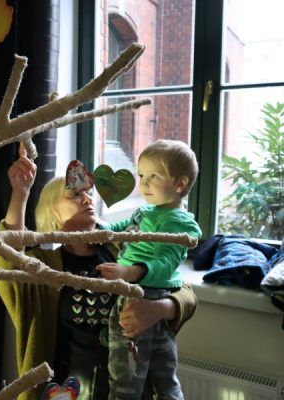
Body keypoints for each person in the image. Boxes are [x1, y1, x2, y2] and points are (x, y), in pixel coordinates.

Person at [0, 144, 197, 400]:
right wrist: (20, 194)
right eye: (75, 195)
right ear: (52, 211)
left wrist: (161, 308)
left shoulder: (123, 248)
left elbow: (186, 294)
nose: (88, 199)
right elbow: (6, 266)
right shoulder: (44, 268)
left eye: (88, 193)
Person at [96, 139, 202, 400]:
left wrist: (130, 272)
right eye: (142, 175)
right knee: (164, 376)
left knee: (127, 382)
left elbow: (165, 264)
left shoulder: (178, 224)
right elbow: (121, 229)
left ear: (180, 184)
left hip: (144, 294)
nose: (143, 183)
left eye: (154, 176)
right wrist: (100, 229)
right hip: (141, 293)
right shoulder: (147, 212)